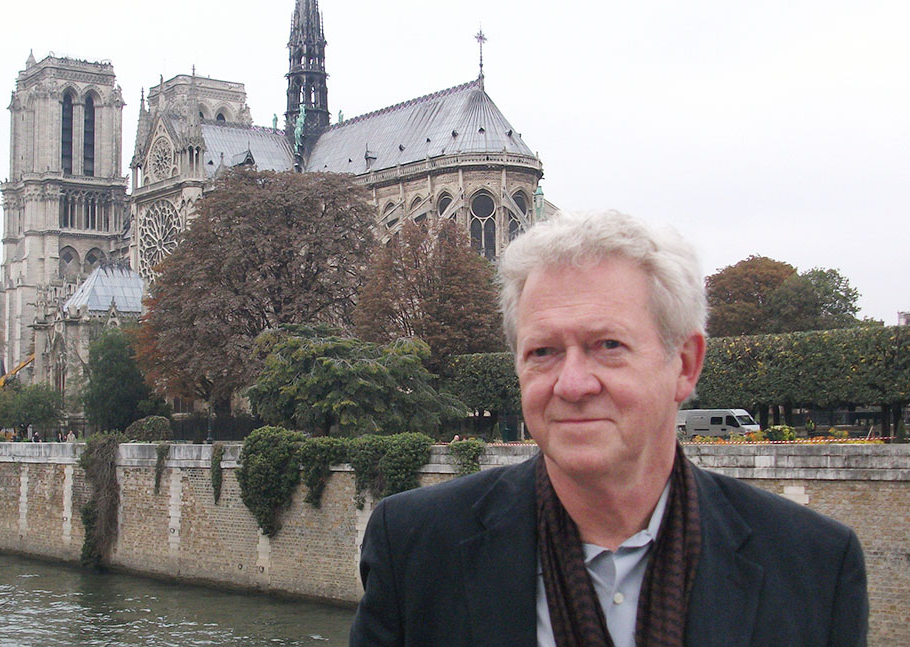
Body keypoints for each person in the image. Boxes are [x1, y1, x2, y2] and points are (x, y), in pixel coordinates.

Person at [349, 210, 868, 647]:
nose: (571, 384)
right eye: (543, 351)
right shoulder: (414, 546)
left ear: (684, 365)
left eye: (608, 346)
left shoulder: (816, 565)